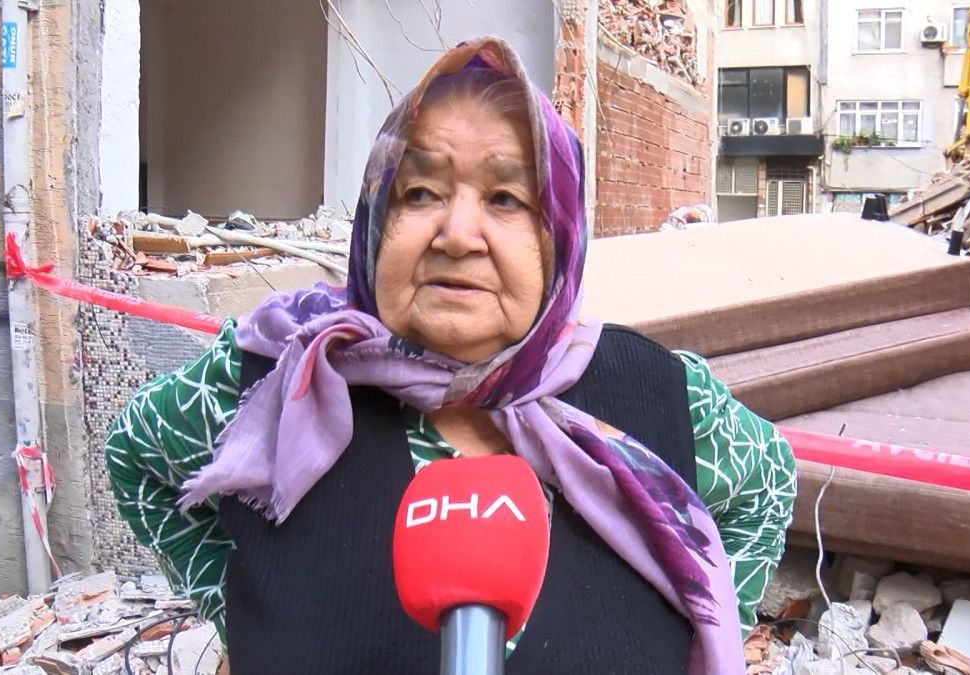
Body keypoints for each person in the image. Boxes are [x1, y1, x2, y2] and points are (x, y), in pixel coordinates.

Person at [106, 37, 796, 673]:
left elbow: (766, 481)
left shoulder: (657, 397)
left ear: (559, 236)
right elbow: (137, 456)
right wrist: (244, 615)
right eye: (421, 193)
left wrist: (702, 628)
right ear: (377, 220)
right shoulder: (279, 384)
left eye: (506, 198)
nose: (458, 234)